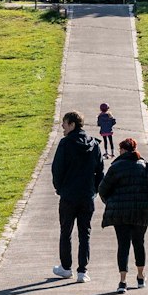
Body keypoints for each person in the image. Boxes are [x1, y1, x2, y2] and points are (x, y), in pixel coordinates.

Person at [99, 137, 148, 293]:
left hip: (120, 213)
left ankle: (122, 281)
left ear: (123, 150)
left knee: (123, 245)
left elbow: (102, 189)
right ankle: (140, 276)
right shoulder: (145, 166)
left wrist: (111, 203)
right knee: (139, 243)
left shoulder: (115, 167)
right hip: (141, 211)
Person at [49, 111, 104, 283]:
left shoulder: (65, 144)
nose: (62, 127)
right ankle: (82, 271)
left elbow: (57, 169)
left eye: (64, 123)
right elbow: (100, 171)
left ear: (72, 124)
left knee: (66, 231)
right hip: (87, 195)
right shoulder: (94, 144)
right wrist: (94, 190)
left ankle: (66, 268)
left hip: (68, 195)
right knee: (84, 233)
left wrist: (60, 188)